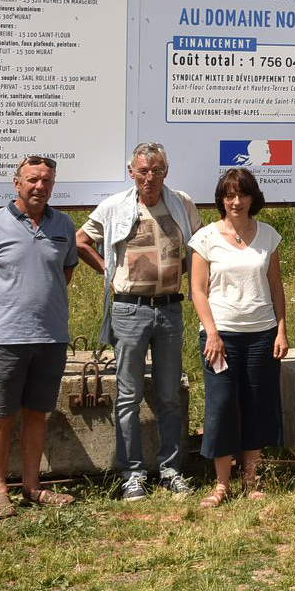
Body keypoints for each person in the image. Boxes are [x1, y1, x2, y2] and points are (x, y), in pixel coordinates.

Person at [75, 142, 202, 501]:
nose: (150, 177)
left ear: (166, 172)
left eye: (157, 170)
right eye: (143, 171)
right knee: (128, 396)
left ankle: (171, 471)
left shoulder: (181, 203)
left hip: (170, 308)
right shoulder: (114, 206)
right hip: (129, 309)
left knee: (169, 395)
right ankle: (132, 474)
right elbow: (81, 240)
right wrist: (108, 272)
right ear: (131, 172)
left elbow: (199, 245)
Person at [0, 154, 80, 518]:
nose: (39, 186)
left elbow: (63, 273)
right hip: (6, 338)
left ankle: (33, 487)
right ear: (16, 183)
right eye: (32, 179)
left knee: (37, 413)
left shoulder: (63, 224)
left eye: (46, 180)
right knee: (0, 414)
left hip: (49, 338)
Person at [188, 167, 289, 507]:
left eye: (242, 194)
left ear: (252, 198)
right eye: (229, 195)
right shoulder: (205, 238)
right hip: (222, 337)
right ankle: (221, 485)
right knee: (221, 407)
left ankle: (251, 480)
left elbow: (275, 287)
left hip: (261, 335)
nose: (235, 201)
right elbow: (198, 292)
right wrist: (212, 333)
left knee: (257, 406)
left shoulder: (268, 236)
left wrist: (281, 330)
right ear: (222, 199)